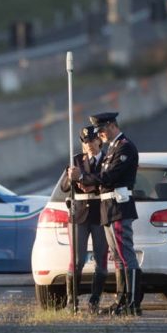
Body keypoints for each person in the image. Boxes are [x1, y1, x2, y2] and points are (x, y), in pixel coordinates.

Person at [68, 112, 142, 316]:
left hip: (119, 206)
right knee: (118, 257)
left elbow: (110, 176)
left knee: (126, 256)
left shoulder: (125, 146)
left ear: (111, 126)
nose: (99, 135)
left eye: (100, 131)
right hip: (108, 208)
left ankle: (133, 302)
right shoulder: (113, 148)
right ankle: (121, 300)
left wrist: (84, 176)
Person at [60, 125, 109, 314]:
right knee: (77, 259)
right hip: (79, 215)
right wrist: (71, 177)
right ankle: (71, 301)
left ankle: (94, 300)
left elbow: (107, 179)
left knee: (101, 259)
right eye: (85, 141)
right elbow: (64, 187)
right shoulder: (76, 161)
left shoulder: (107, 160)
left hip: (100, 213)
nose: (89, 144)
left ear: (99, 140)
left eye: (92, 140)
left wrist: (86, 178)